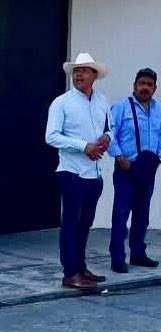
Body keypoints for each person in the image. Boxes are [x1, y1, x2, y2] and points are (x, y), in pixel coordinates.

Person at [45, 52, 113, 290]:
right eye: (76, 71)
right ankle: (70, 273)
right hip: (71, 172)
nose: (79, 75)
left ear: (94, 75)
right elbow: (51, 136)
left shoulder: (102, 101)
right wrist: (84, 146)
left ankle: (81, 267)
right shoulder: (61, 103)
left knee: (85, 224)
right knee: (71, 224)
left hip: (93, 174)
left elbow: (111, 127)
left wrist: (106, 137)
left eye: (84, 70)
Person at [109, 68, 161, 273]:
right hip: (127, 167)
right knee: (122, 212)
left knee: (142, 214)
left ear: (154, 88)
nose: (145, 88)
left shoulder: (157, 108)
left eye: (149, 85)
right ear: (134, 86)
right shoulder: (122, 107)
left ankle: (138, 254)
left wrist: (158, 157)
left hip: (147, 167)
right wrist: (119, 157)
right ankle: (117, 257)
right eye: (142, 83)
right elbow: (109, 133)